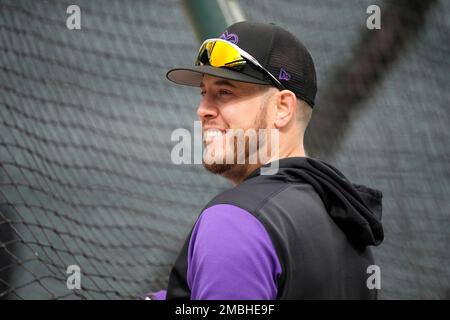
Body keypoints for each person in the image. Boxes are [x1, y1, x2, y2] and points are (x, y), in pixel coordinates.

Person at [149, 21, 384, 300]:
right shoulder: (347, 225)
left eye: (225, 92)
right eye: (204, 92)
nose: (202, 110)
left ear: (282, 108)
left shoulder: (234, 223)